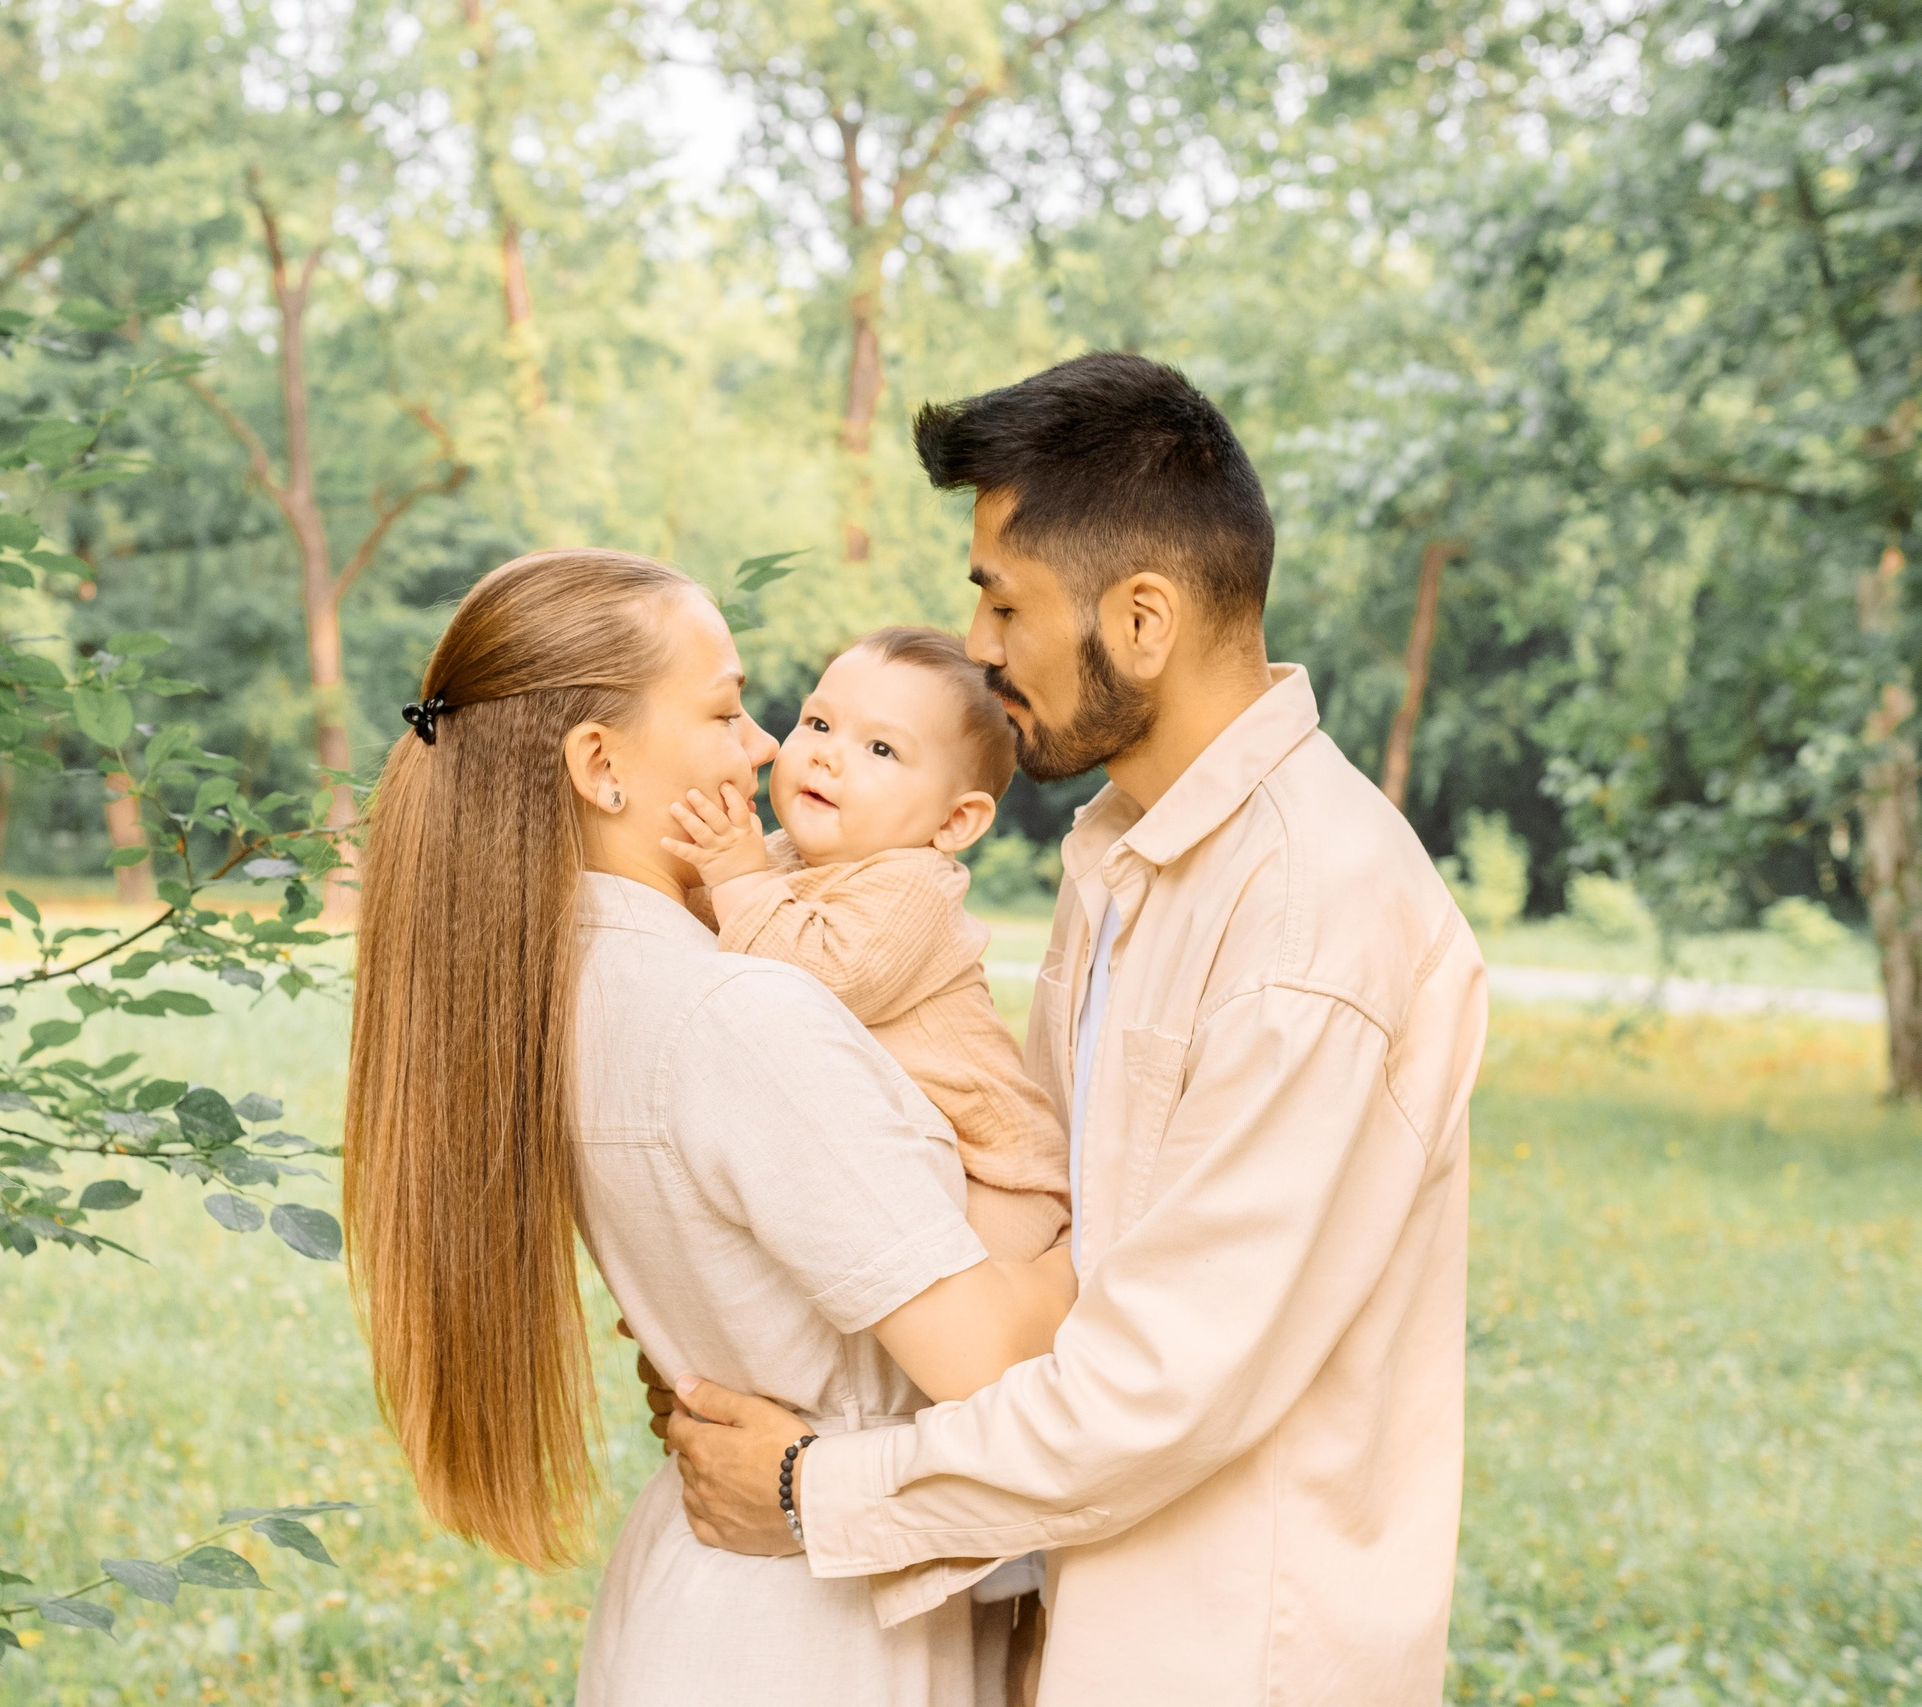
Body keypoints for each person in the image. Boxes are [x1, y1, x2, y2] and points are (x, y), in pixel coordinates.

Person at [666, 353, 1489, 1705]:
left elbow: (1160, 1384)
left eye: (1003, 599)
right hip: (1065, 1617)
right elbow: (1038, 1231)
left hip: (1224, 1659)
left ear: (1144, 617)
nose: (978, 645)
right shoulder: (1124, 856)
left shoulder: (1309, 926)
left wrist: (817, 1485)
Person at [342, 549, 1076, 1707]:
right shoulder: (738, 1014)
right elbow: (986, 1356)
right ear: (601, 765)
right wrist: (1148, 1218)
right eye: (728, 710)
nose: (770, 746)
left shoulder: (553, 987)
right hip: (815, 1632)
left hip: (721, 1593)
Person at [664, 625, 1072, 1262]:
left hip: (996, 1173)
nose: (827, 755)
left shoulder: (914, 886)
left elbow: (821, 979)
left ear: (954, 820)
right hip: (892, 1155)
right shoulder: (778, 859)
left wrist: (736, 877)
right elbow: (703, 925)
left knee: (966, 1315)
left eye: (881, 748)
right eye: (819, 723)